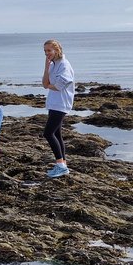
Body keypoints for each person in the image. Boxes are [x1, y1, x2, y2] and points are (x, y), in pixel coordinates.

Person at [42, 39, 75, 178]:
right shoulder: (52, 65)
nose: (47, 53)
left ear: (57, 50)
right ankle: (63, 165)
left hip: (61, 104)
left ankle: (60, 165)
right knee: (57, 134)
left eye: (49, 50)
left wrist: (49, 85)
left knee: (48, 133)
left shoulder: (64, 65)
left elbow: (59, 86)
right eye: (45, 51)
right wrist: (46, 66)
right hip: (53, 103)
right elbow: (44, 83)